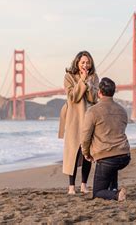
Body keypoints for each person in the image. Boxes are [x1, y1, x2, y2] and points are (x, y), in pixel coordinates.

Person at [81, 77, 131, 201]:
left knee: (97, 192)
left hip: (107, 158)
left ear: (99, 92)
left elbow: (85, 137)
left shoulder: (92, 111)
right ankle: (114, 188)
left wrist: (86, 153)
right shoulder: (122, 111)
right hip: (124, 156)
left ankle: (117, 195)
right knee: (111, 164)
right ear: (113, 92)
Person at [58, 51, 99, 195]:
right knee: (73, 153)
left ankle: (83, 185)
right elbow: (73, 97)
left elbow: (93, 98)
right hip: (74, 120)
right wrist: (81, 81)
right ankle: (71, 187)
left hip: (89, 118)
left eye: (88, 62)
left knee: (87, 153)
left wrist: (87, 82)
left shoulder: (94, 77)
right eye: (83, 62)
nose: (85, 65)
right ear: (77, 63)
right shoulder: (68, 77)